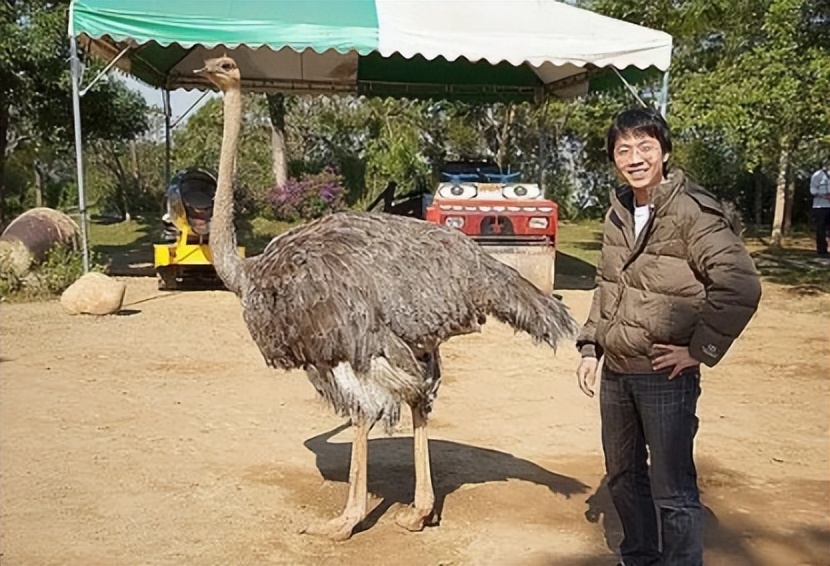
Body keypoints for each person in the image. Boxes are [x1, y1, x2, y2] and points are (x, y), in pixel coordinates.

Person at [575, 108, 762, 566]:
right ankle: (639, 556)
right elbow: (608, 284)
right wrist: (591, 345)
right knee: (622, 475)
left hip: (664, 375)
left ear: (664, 151)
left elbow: (740, 284)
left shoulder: (692, 211)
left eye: (645, 146)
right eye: (624, 149)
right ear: (613, 158)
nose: (634, 157)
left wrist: (700, 350)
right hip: (617, 372)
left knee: (672, 487)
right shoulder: (618, 210)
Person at [809, 161, 830, 257]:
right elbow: (812, 190)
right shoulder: (817, 175)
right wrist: (823, 195)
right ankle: (822, 251)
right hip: (820, 206)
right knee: (820, 229)